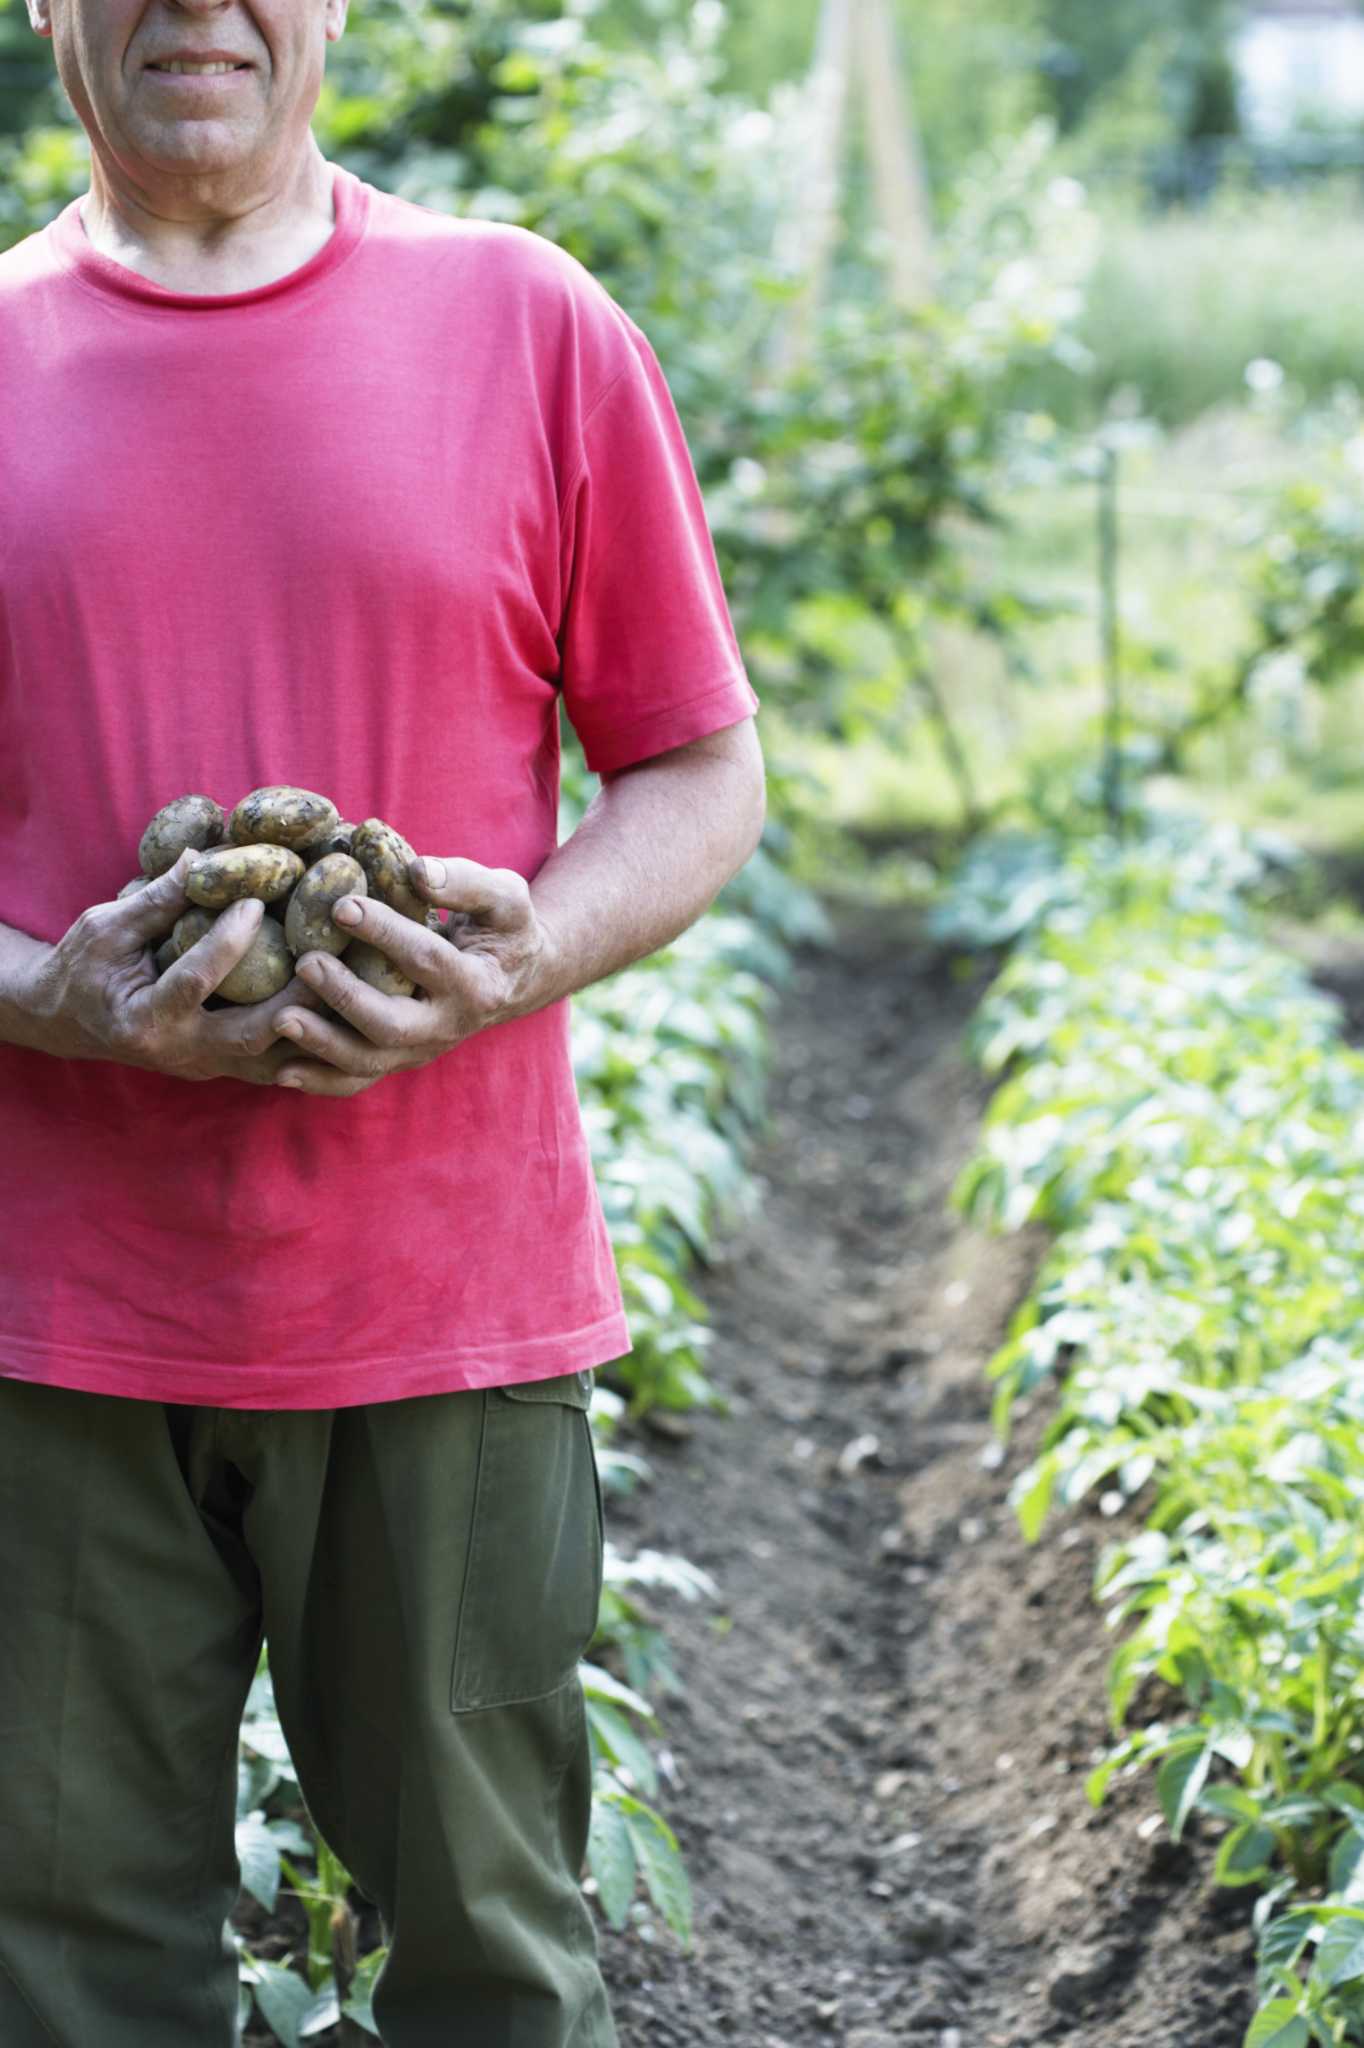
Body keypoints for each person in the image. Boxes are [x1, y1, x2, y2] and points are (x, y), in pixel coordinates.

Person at [0, 1, 766, 2043]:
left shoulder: (525, 324)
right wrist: (52, 1002)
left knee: (491, 1970)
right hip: (48, 1340)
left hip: (447, 1315)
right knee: (57, 1983)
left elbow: (699, 775)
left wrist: (514, 958)